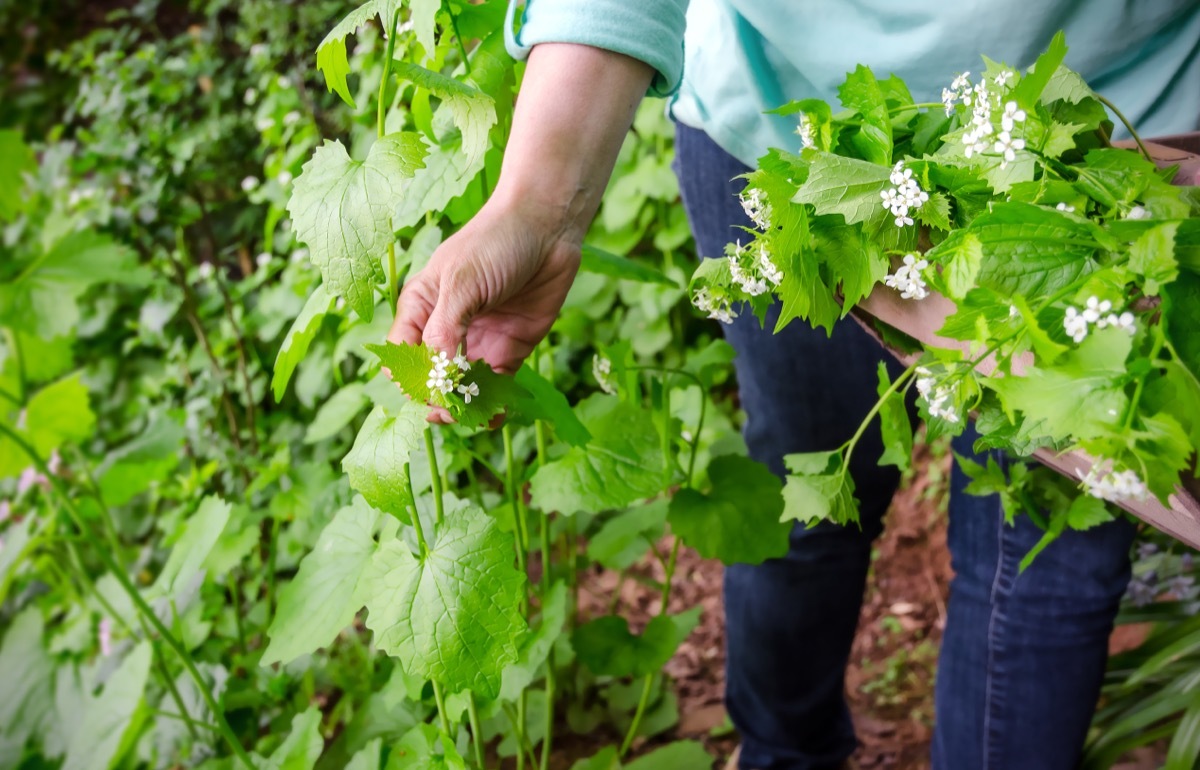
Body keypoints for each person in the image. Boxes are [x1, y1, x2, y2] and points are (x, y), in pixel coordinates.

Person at [388, 2, 1200, 768]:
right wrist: (538, 204)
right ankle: (783, 751)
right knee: (807, 491)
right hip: (789, 132)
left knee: (1049, 558)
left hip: (1110, 152)